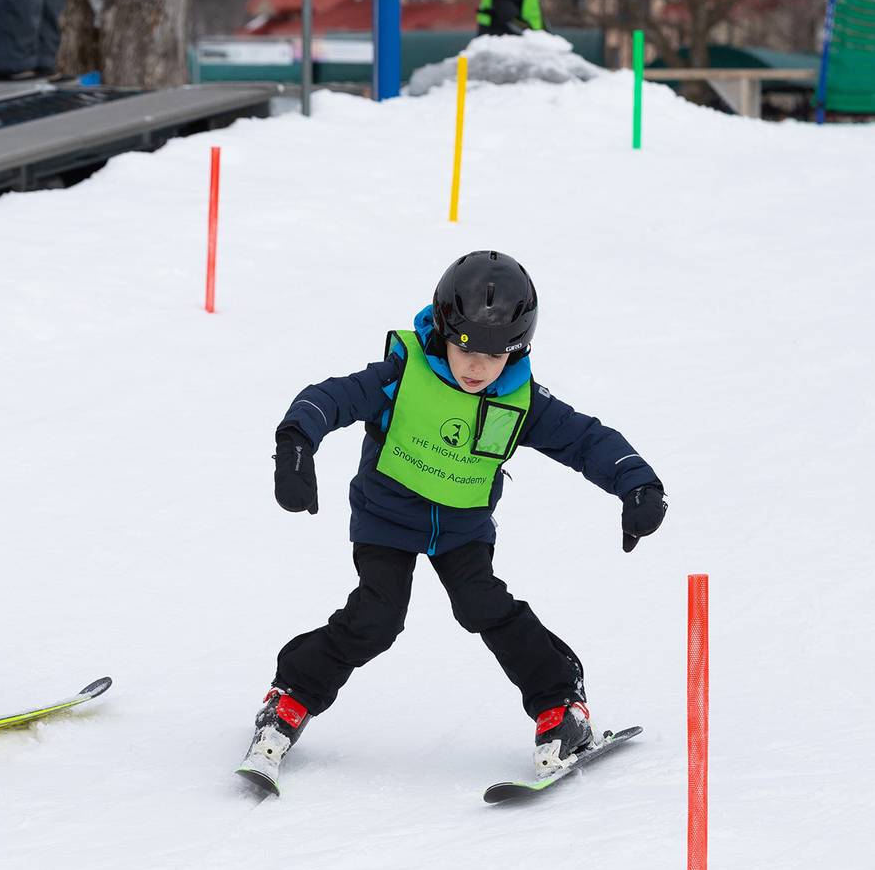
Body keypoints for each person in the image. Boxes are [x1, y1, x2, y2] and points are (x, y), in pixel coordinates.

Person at [240, 251, 667, 787]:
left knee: (484, 605)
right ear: (443, 330)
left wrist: (637, 483)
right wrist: (296, 444)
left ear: (518, 350)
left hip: (462, 531)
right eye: (465, 346)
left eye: (494, 354)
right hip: (385, 522)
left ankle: (562, 707)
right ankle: (289, 699)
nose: (476, 366)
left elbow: (585, 439)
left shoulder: (520, 399)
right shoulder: (402, 372)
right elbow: (329, 398)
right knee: (377, 616)